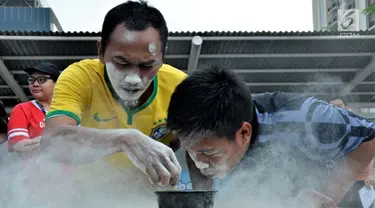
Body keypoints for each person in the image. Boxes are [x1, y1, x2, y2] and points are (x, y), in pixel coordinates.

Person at [166, 67, 375, 208]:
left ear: (244, 133)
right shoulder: (205, 141)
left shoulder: (305, 118)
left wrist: (329, 191)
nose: (199, 163)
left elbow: (370, 134)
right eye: (191, 152)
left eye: (208, 153)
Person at [41, 1, 185, 187]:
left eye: (147, 65)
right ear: (101, 51)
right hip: (91, 194)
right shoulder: (81, 77)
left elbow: (202, 147)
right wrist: (125, 139)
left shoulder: (180, 86)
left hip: (153, 196)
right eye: (121, 63)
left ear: (163, 56)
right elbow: (52, 143)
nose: (133, 78)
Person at [328, 96, 375, 207]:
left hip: (356, 179)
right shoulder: (325, 127)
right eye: (332, 107)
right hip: (334, 181)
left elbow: (369, 148)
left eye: (339, 106)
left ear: (347, 107)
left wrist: (369, 174)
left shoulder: (357, 125)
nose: (336, 110)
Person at [8, 62, 60, 153]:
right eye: (31, 80)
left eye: (42, 79)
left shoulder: (69, 110)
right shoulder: (22, 109)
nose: (35, 84)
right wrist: (53, 142)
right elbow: (18, 145)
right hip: (35, 166)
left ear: (57, 83)